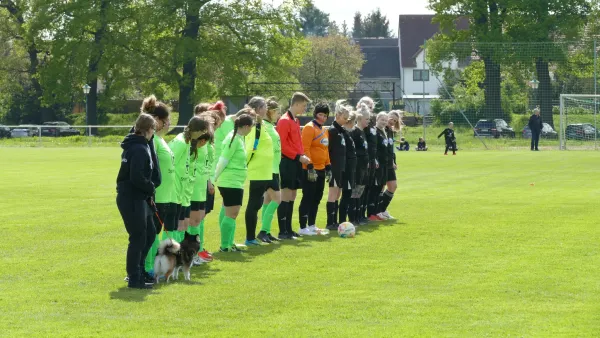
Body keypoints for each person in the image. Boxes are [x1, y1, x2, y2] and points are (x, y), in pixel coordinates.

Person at [116, 113, 158, 289]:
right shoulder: (139, 148)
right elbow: (136, 177)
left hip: (138, 197)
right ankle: (134, 277)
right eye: (153, 129)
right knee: (138, 237)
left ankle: (138, 270)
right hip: (132, 197)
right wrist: (151, 187)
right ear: (148, 130)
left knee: (150, 233)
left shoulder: (136, 145)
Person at [141, 97, 177, 279]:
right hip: (158, 195)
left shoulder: (161, 140)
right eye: (166, 120)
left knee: (155, 233)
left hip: (166, 195)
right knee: (151, 234)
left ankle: (151, 267)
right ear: (156, 120)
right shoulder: (152, 139)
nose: (169, 123)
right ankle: (148, 267)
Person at [215, 113, 255, 252]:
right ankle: (225, 246)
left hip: (234, 181)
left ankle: (229, 242)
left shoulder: (237, 138)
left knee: (228, 211)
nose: (251, 130)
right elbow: (223, 160)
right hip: (230, 182)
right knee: (232, 213)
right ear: (246, 126)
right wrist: (214, 178)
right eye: (251, 127)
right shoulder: (233, 139)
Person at [168, 116, 211, 242]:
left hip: (183, 191)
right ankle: (171, 258)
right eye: (204, 131)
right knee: (175, 227)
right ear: (199, 130)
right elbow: (169, 165)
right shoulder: (181, 142)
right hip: (175, 191)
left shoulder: (187, 142)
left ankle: (180, 257)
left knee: (182, 226)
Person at [276, 92, 311, 239]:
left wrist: (302, 156)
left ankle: (289, 229)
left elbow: (296, 143)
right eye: (303, 105)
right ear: (296, 104)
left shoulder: (295, 120)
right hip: (287, 161)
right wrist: (298, 156)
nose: (304, 109)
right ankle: (283, 230)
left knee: (292, 194)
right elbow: (282, 145)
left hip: (296, 161)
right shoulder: (284, 121)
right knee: (286, 194)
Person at [243, 97, 275, 246]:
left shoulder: (261, 125)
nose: (266, 109)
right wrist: (247, 165)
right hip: (258, 170)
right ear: (257, 109)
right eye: (264, 106)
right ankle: (249, 238)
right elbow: (250, 147)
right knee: (254, 204)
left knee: (257, 203)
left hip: (264, 171)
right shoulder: (253, 126)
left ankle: (252, 237)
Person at [298, 102, 331, 236]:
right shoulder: (309, 127)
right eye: (320, 114)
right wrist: (309, 165)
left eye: (325, 115)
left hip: (322, 168)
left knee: (317, 198)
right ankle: (302, 227)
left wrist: (328, 165)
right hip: (310, 169)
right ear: (315, 114)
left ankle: (312, 225)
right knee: (308, 197)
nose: (322, 118)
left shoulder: (324, 130)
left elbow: (325, 149)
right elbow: (304, 148)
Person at [257, 98, 283, 243]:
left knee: (268, 199)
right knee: (277, 199)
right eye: (277, 112)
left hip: (274, 168)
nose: (279, 115)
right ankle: (262, 231)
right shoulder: (264, 126)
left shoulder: (270, 126)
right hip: (269, 169)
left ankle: (265, 230)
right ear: (270, 112)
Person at [325, 100, 351, 231]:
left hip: (341, 167)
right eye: (344, 118)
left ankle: (334, 221)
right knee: (333, 193)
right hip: (334, 167)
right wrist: (328, 167)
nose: (346, 120)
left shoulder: (341, 131)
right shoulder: (333, 131)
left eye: (347, 118)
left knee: (338, 193)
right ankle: (330, 222)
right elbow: (327, 150)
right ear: (337, 116)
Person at [377, 110, 402, 220]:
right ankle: (377, 212)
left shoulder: (390, 131)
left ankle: (382, 209)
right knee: (381, 187)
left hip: (389, 163)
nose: (392, 121)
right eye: (391, 118)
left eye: (395, 121)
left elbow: (390, 149)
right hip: (382, 163)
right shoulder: (380, 130)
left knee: (393, 186)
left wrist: (393, 161)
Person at [350, 103, 370, 225]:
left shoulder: (363, 132)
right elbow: (354, 150)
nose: (368, 121)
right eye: (366, 119)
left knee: (360, 191)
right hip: (357, 167)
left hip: (363, 166)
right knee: (355, 191)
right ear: (359, 119)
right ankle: (353, 217)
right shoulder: (355, 132)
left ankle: (359, 216)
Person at [367, 112, 389, 221]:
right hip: (377, 165)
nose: (384, 122)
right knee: (374, 189)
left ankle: (376, 212)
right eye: (382, 120)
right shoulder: (374, 131)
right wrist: (374, 159)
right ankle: (371, 213)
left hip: (384, 164)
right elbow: (373, 148)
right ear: (377, 119)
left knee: (380, 188)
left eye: (385, 120)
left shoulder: (384, 131)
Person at [339, 111, 357, 224]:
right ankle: (341, 220)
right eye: (354, 122)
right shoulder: (344, 134)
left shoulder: (349, 134)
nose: (354, 124)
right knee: (346, 194)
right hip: (346, 169)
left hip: (351, 169)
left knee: (348, 194)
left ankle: (345, 220)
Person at [360, 108, 378, 224]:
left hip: (370, 161)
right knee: (360, 189)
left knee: (367, 188)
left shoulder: (370, 126)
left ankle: (363, 215)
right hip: (362, 164)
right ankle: (358, 216)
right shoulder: (359, 130)